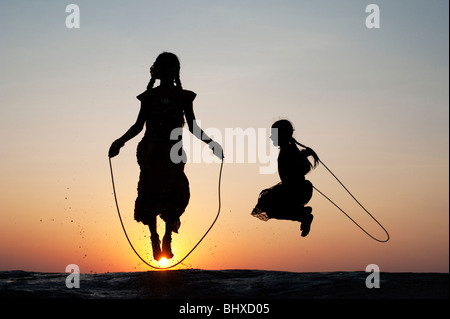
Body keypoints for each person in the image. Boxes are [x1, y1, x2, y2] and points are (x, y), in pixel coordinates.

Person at [109, 52, 223, 261]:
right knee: (149, 193)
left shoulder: (184, 97)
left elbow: (194, 127)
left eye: (172, 68)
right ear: (157, 71)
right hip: (151, 151)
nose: (168, 71)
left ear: (176, 71)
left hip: (174, 152)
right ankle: (153, 237)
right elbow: (137, 126)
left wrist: (211, 143)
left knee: (175, 193)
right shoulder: (149, 97)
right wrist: (119, 142)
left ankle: (167, 237)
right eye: (164, 67)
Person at [251, 119, 319, 237]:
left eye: (273, 134)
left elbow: (298, 168)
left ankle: (303, 215)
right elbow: (300, 167)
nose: (271, 137)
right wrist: (302, 155)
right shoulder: (289, 149)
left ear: (282, 135)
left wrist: (302, 156)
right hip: (297, 189)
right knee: (271, 209)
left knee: (271, 209)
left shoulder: (289, 150)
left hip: (294, 190)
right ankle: (303, 215)